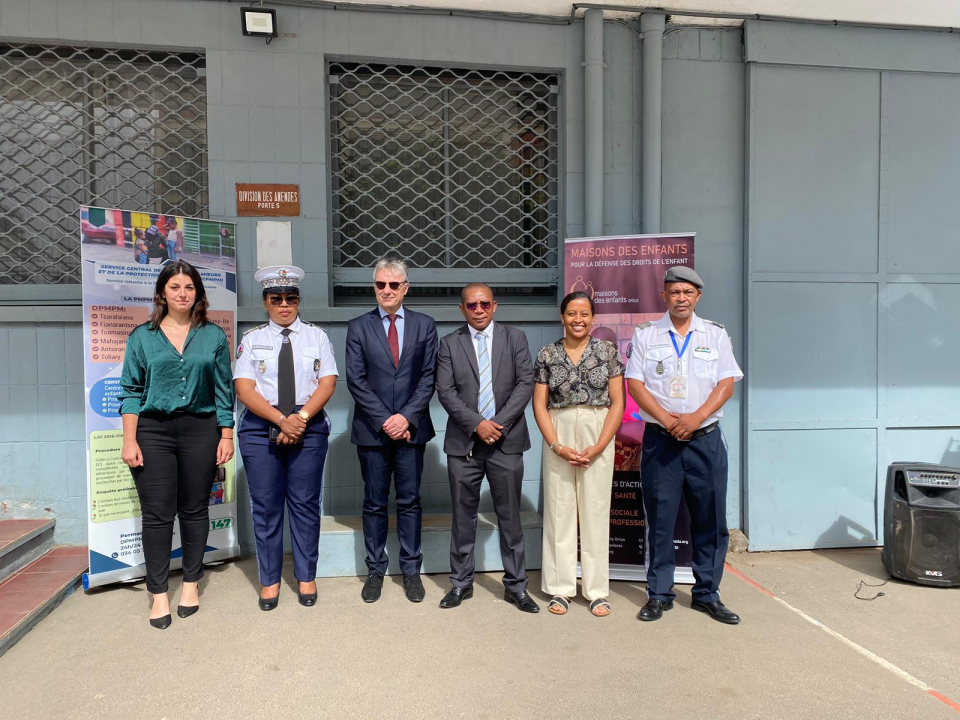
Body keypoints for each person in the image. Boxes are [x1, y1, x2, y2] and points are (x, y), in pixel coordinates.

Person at [118, 260, 235, 629]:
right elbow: (131, 391)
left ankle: (190, 585)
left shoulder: (213, 336)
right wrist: (129, 440)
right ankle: (158, 594)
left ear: (198, 293)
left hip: (201, 430)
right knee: (157, 515)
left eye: (189, 287)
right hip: (152, 431)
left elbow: (224, 390)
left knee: (195, 510)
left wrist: (226, 434)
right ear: (162, 293)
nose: (182, 294)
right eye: (175, 287)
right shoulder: (142, 337)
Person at [626, 266, 743, 625]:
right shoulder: (646, 334)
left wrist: (695, 419)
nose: (681, 298)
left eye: (688, 292)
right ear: (664, 295)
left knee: (710, 519)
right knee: (661, 520)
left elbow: (726, 383)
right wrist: (667, 420)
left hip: (704, 440)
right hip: (661, 441)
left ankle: (707, 593)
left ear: (698, 297)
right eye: (675, 292)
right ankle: (659, 594)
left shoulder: (715, 334)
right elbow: (635, 385)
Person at [234, 266, 338, 611]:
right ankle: (270, 580)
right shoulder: (252, 340)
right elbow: (244, 388)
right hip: (261, 426)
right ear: (265, 302)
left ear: (298, 301)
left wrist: (300, 419)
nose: (284, 305)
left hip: (307, 425)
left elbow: (327, 382)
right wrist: (281, 420)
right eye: (276, 298)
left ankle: (306, 576)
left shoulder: (316, 337)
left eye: (290, 298)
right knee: (266, 507)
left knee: (305, 504)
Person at [435, 283, 539, 613]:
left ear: (495, 306)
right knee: (462, 517)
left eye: (484, 304)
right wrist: (477, 424)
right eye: (471, 305)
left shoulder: (515, 338)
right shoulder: (449, 343)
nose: (478, 310)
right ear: (461, 309)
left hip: (506, 442)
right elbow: (445, 391)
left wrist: (497, 424)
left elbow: (525, 384)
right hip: (464, 444)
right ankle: (460, 583)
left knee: (510, 518)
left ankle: (517, 586)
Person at [345, 257, 438, 604]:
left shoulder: (425, 325)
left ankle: (411, 571)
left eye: (393, 284)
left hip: (411, 431)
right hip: (373, 431)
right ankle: (375, 570)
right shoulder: (358, 327)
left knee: (410, 501)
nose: (386, 290)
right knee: (374, 502)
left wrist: (406, 418)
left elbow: (428, 376)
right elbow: (356, 380)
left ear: (405, 288)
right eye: (380, 284)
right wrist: (387, 420)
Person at [533, 291, 625, 617]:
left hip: (597, 429)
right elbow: (539, 404)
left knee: (595, 511)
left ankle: (597, 591)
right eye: (571, 313)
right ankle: (560, 588)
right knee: (559, 512)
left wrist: (600, 445)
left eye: (584, 314)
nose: (578, 320)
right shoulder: (547, 354)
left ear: (592, 317)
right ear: (562, 317)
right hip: (558, 430)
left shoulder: (607, 351)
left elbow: (618, 402)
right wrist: (556, 444)